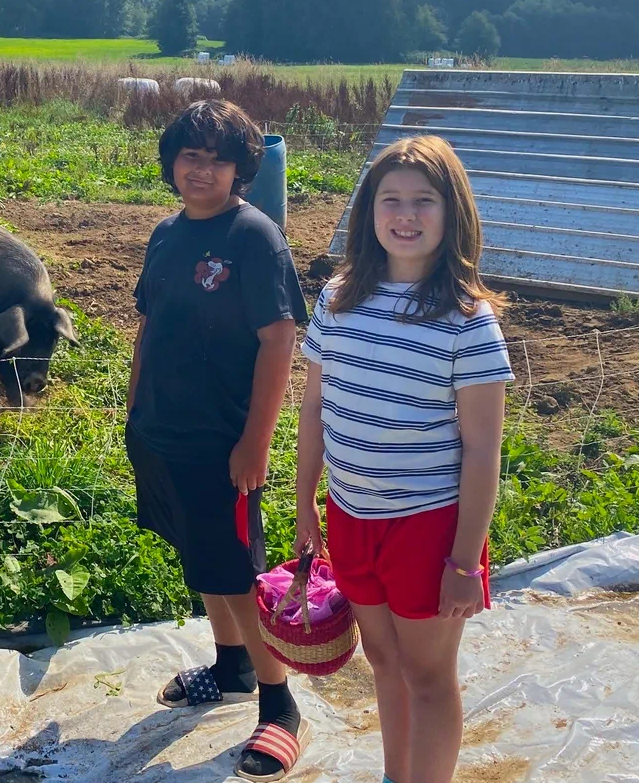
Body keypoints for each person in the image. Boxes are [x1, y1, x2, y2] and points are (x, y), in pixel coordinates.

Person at [295, 135, 512, 783]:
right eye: (391, 199)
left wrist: (463, 559)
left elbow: (481, 451)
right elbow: (313, 410)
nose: (406, 214)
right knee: (384, 663)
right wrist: (306, 499)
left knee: (427, 674)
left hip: (428, 528)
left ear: (454, 215)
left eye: (424, 200)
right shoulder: (338, 300)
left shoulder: (467, 321)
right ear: (369, 211)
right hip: (351, 515)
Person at [127, 99, 311, 782]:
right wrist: (133, 410)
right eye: (189, 155)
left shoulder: (253, 237)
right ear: (172, 162)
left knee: (239, 571)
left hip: (224, 438)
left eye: (216, 158)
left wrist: (255, 442)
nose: (200, 169)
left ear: (241, 169)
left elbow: (278, 338)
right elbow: (148, 325)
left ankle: (279, 704)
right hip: (162, 429)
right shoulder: (166, 234)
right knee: (201, 558)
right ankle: (231, 666)